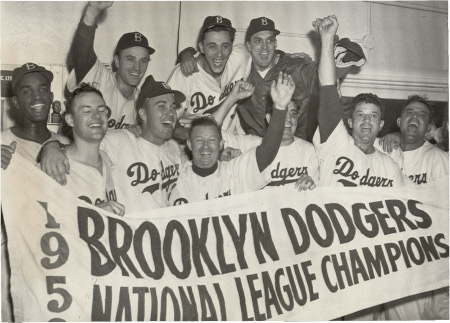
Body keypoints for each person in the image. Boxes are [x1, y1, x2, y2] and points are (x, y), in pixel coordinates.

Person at [40, 76, 186, 214]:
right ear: (143, 114)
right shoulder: (119, 141)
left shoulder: (175, 148)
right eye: (161, 107)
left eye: (102, 110)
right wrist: (50, 147)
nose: (171, 113)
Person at [1, 62, 69, 323]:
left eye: (42, 89)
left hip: (58, 258)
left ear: (52, 97)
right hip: (12, 258)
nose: (37, 97)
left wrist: (56, 147)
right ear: (15, 102)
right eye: (27, 92)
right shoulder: (2, 143)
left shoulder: (67, 145)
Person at [168, 71, 294, 205]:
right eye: (199, 141)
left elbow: (265, 153)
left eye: (212, 140)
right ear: (189, 144)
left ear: (221, 144)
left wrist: (280, 108)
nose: (206, 147)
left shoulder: (233, 171)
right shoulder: (178, 177)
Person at [312, 16, 404, 188]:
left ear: (381, 124)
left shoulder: (390, 167)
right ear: (350, 121)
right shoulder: (336, 143)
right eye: (360, 114)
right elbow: (328, 90)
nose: (367, 120)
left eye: (373, 116)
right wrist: (327, 40)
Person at [67, 1, 154, 130]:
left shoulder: (141, 101)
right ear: (117, 61)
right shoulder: (101, 77)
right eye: (130, 59)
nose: (137, 67)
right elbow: (82, 52)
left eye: (143, 61)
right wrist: (92, 11)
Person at [167, 15, 252, 138]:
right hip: (192, 146)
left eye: (225, 46)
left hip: (229, 139)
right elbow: (167, 122)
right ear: (201, 47)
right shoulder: (183, 75)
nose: (219, 54)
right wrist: (194, 136)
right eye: (212, 46)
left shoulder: (240, 57)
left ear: (232, 46)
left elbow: (263, 54)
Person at [222, 100, 319, 190]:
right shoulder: (252, 144)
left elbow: (318, 190)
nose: (288, 119)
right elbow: (212, 135)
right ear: (269, 118)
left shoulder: (308, 150)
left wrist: (311, 185)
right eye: (282, 114)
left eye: (293, 113)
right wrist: (222, 155)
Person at [61, 83, 125, 216]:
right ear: (70, 120)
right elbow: (40, 224)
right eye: (86, 111)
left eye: (102, 110)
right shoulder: (55, 167)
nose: (96, 115)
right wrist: (94, 213)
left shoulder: (109, 159)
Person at [377, 95, 449, 185]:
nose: (415, 116)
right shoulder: (381, 147)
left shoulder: (438, 158)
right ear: (399, 122)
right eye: (409, 112)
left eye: (422, 115)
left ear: (427, 128)